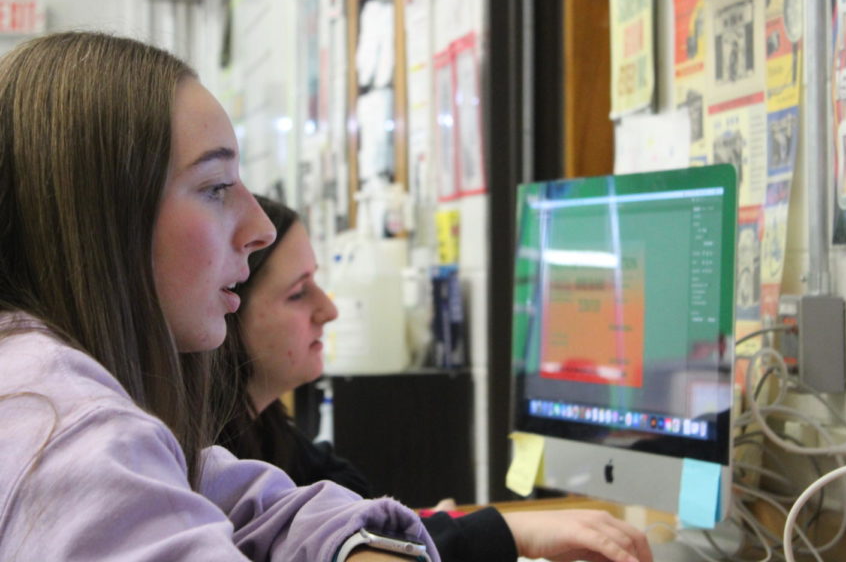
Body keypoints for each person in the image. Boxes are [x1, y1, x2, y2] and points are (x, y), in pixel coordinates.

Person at [0, 31, 439, 562]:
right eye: (214, 186)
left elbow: (243, 501)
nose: (260, 228)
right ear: (101, 222)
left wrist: (356, 545)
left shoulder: (59, 397)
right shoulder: (70, 432)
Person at [218, 195, 654, 562]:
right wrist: (505, 531)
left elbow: (355, 512)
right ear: (225, 310)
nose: (329, 311)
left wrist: (426, 529)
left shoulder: (272, 433)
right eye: (298, 292)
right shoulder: (206, 462)